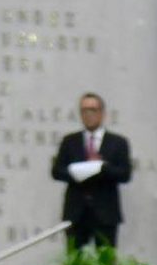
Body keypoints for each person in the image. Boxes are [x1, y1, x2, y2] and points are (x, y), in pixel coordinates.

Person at [50, 92, 134, 249]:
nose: (88, 115)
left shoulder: (117, 142)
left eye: (93, 110)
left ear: (102, 113)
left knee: (105, 264)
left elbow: (125, 174)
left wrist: (101, 167)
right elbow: (57, 172)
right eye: (84, 110)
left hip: (105, 213)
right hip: (76, 213)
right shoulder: (70, 141)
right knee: (76, 263)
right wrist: (79, 170)